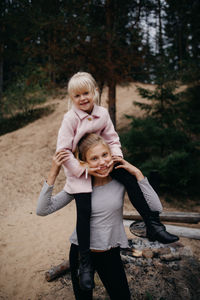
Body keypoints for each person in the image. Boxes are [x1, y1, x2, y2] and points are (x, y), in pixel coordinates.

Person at [56, 72, 179, 290]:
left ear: (94, 92)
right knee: (84, 212)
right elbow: (64, 152)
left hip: (104, 163)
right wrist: (82, 169)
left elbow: (112, 139)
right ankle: (85, 263)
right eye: (77, 96)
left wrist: (116, 158)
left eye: (86, 93)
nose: (83, 98)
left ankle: (152, 224)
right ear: (71, 98)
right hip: (81, 170)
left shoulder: (102, 113)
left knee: (129, 179)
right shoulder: (70, 119)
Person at [37, 133, 171, 300]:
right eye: (94, 158)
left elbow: (156, 208)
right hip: (81, 253)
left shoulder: (121, 181)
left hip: (109, 252)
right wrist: (53, 172)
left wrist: (137, 173)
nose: (102, 162)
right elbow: (43, 209)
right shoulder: (79, 184)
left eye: (105, 155)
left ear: (111, 154)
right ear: (84, 163)